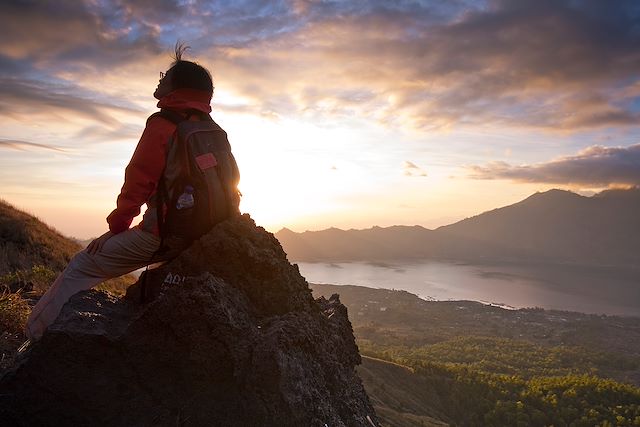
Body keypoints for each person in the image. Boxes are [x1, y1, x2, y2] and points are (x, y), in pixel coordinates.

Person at [25, 46, 218, 341]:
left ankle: (34, 339)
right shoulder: (211, 129)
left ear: (177, 87)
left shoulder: (164, 125)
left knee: (82, 264)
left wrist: (115, 229)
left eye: (165, 75)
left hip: (161, 235)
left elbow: (137, 183)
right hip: (202, 233)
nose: (160, 79)